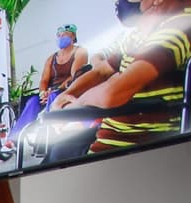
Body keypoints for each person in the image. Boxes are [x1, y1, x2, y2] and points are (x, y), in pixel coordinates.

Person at [54, 0, 191, 155]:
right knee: (59, 150)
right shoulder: (141, 32)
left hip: (139, 145)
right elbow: (101, 71)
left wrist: (77, 105)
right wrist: (65, 96)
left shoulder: (179, 27)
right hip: (114, 136)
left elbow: (112, 94)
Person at [14, 25, 90, 137]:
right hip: (50, 91)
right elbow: (44, 80)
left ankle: (49, 133)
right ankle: (15, 137)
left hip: (68, 88)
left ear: (73, 36)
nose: (61, 37)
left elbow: (75, 75)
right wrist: (43, 93)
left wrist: (56, 89)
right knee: (32, 101)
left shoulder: (80, 52)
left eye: (64, 34)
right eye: (59, 35)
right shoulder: (51, 58)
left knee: (54, 96)